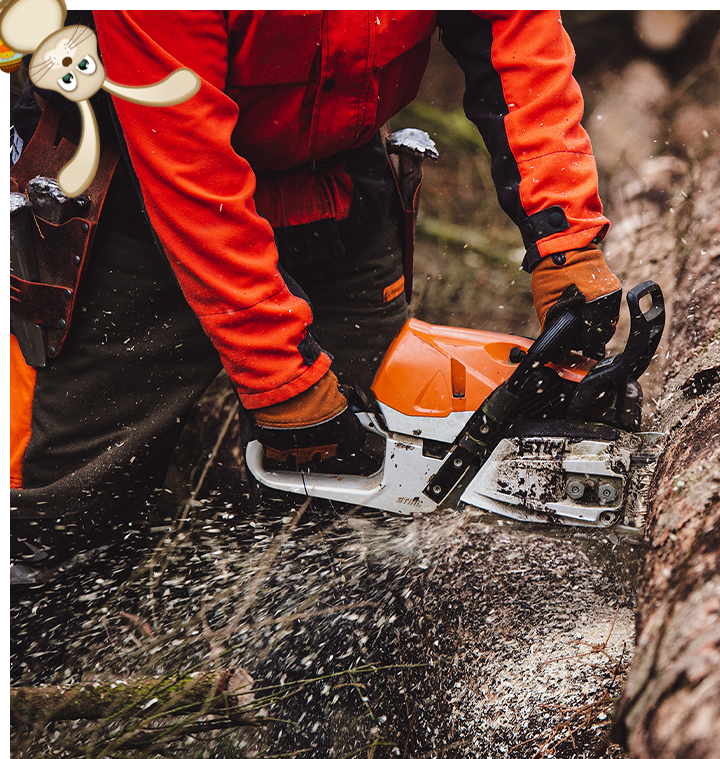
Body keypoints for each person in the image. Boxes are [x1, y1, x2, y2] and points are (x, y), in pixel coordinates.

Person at [10, 10, 622, 578]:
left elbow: (512, 29)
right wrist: (281, 378)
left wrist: (563, 235)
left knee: (372, 488)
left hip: (336, 178)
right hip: (132, 190)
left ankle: (315, 642)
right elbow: (190, 172)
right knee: (62, 510)